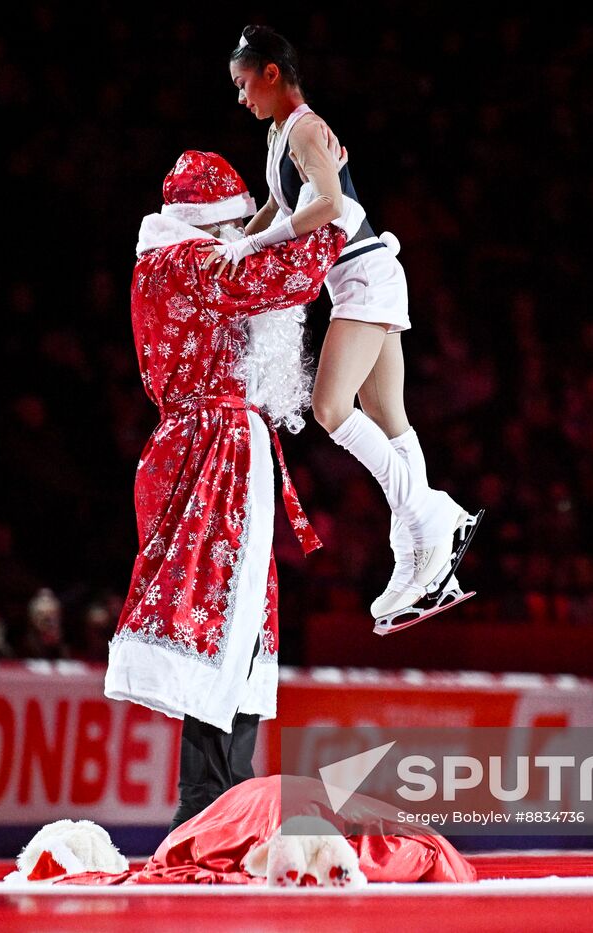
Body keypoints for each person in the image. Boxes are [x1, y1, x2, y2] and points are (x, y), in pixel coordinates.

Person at [107, 150, 355, 829]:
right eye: (236, 222)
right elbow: (274, 272)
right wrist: (338, 213)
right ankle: (211, 803)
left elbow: (251, 250)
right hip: (217, 444)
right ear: (209, 223)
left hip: (206, 440)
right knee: (226, 613)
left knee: (232, 619)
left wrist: (285, 198)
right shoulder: (186, 263)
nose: (244, 232)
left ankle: (214, 796)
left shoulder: (166, 263)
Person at [213, 24, 482, 634]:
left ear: (271, 73)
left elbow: (330, 205)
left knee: (330, 409)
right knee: (390, 420)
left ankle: (430, 518)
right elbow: (285, 209)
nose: (240, 97)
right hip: (365, 275)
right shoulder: (282, 133)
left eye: (243, 83)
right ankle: (416, 557)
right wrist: (236, 241)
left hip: (364, 276)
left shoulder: (305, 127)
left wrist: (254, 242)